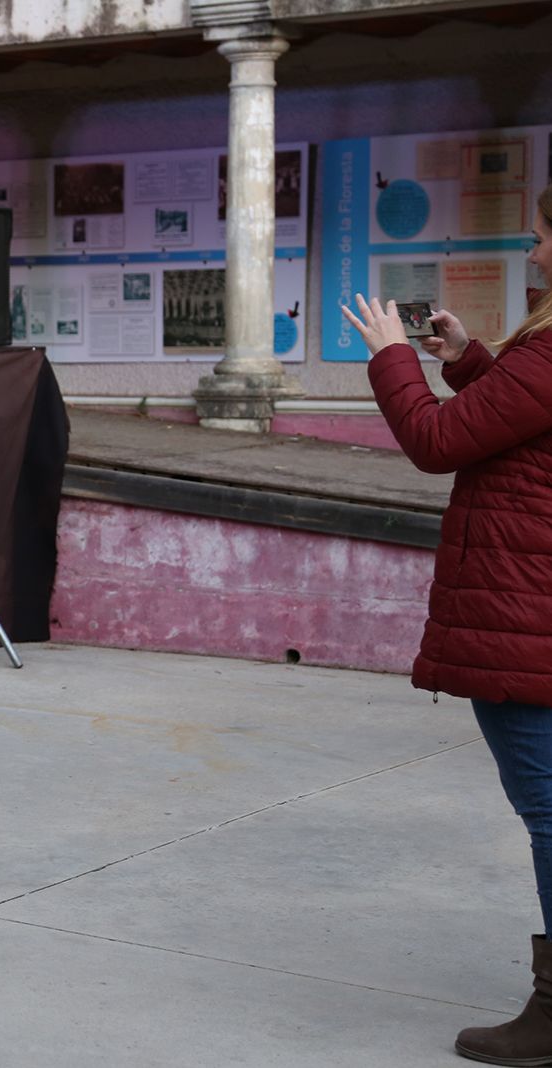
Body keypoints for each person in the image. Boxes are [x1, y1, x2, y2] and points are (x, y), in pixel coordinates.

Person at [341, 185, 552, 1066]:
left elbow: (437, 443)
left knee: (548, 804)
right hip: (527, 604)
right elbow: (515, 424)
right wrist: (467, 361)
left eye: (547, 237)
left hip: (524, 609)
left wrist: (394, 359)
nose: (537, 255)